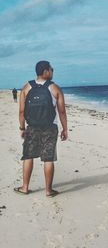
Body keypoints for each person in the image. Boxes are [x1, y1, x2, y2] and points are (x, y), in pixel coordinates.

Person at [14, 60, 68, 197]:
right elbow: (62, 111)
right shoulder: (55, 88)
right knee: (48, 159)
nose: (53, 71)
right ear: (45, 71)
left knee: (28, 156)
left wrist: (22, 128)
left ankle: (25, 187)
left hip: (32, 127)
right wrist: (65, 129)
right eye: (51, 69)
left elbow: (21, 111)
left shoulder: (26, 87)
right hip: (50, 127)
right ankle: (48, 191)